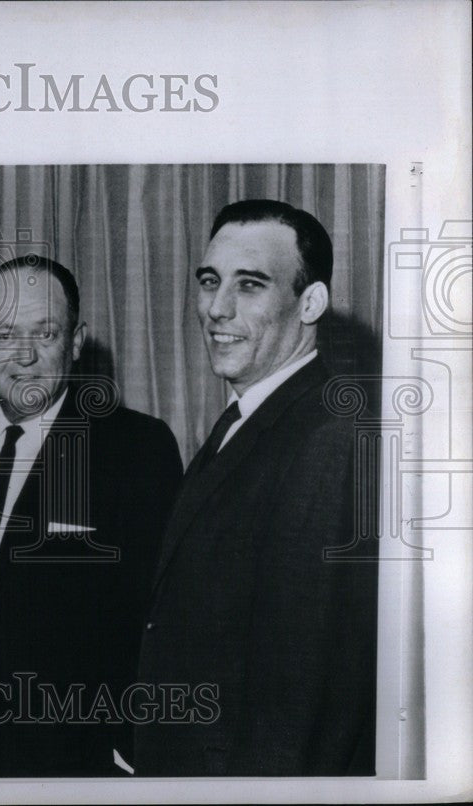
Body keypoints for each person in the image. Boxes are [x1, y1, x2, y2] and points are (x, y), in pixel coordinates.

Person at [0, 255, 183, 777]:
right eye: (6, 334)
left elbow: (159, 618)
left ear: (76, 342)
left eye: (46, 333)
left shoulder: (137, 447)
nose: (26, 356)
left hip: (74, 760)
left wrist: (128, 753)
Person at [132, 200, 378, 776]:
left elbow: (307, 685)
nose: (217, 309)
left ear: (310, 302)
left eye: (250, 285)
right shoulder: (248, 417)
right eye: (210, 282)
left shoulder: (329, 437)